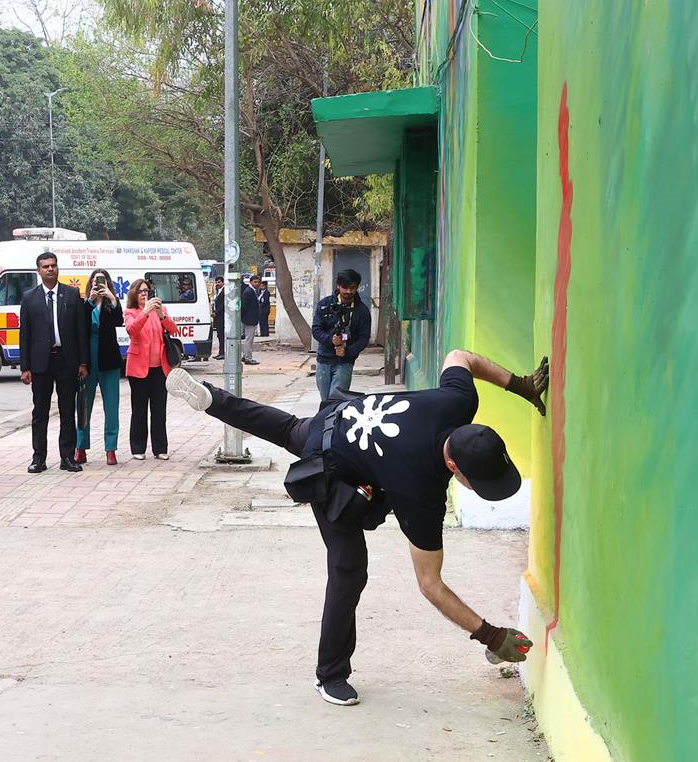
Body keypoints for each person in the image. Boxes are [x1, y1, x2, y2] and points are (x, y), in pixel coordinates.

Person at [165, 350, 549, 706]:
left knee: (288, 430)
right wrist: (490, 635)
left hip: (337, 417)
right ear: (454, 468)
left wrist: (521, 385)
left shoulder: (456, 401)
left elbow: (459, 356)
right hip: (331, 462)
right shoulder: (419, 488)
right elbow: (431, 584)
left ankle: (213, 398)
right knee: (349, 569)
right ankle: (330, 674)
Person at [19, 251, 89, 473]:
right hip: (40, 363)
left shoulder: (71, 294)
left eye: (53, 265)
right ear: (38, 271)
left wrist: (83, 362)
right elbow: (25, 334)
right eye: (45, 266)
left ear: (58, 268)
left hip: (66, 361)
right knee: (40, 412)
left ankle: (67, 457)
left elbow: (81, 331)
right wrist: (25, 367)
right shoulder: (29, 298)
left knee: (67, 410)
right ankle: (39, 458)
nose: (50, 269)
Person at [124, 278, 179, 460]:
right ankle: (138, 448)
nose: (144, 294)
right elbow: (132, 330)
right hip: (139, 369)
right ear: (134, 294)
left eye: (146, 291)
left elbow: (173, 330)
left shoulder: (160, 310)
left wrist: (161, 315)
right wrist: (145, 312)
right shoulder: (131, 312)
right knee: (139, 410)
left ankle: (160, 448)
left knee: (159, 409)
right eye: (140, 291)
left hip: (159, 368)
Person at [75, 269, 122, 466]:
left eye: (102, 281)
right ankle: (80, 447)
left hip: (108, 359)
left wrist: (112, 298)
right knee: (84, 406)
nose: (98, 284)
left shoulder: (111, 304)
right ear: (90, 283)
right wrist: (89, 301)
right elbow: (79, 325)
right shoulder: (84, 303)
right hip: (87, 360)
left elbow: (119, 321)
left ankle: (110, 449)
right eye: (95, 281)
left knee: (111, 406)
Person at [312, 269, 372, 402]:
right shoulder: (324, 304)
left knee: (337, 401)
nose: (349, 292)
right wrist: (330, 340)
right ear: (338, 286)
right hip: (323, 360)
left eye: (353, 288)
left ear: (357, 287)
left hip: (345, 362)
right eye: (345, 287)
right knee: (325, 400)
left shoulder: (362, 311)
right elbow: (316, 329)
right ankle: (325, 422)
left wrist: (347, 351)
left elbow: (363, 338)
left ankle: (334, 422)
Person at [240, 276, 261, 365]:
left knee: (248, 339)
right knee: (249, 339)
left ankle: (245, 356)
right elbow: (244, 306)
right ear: (251, 282)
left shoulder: (252, 291)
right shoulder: (248, 292)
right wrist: (243, 318)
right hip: (249, 320)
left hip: (250, 319)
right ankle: (248, 358)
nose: (257, 284)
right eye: (255, 282)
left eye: (258, 282)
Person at [211, 276, 225, 360]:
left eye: (219, 282)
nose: (217, 284)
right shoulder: (217, 291)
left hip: (221, 317)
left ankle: (223, 353)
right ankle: (220, 352)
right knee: (219, 335)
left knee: (222, 335)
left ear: (223, 282)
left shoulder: (224, 292)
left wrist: (216, 312)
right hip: (217, 317)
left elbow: (223, 305)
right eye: (216, 282)